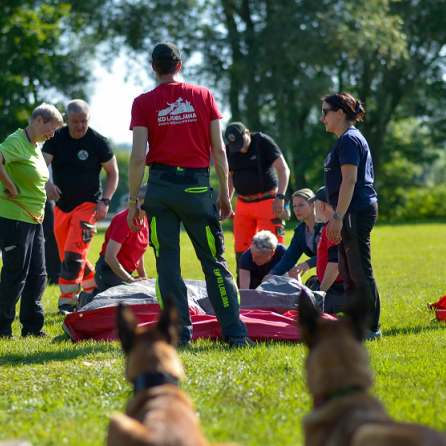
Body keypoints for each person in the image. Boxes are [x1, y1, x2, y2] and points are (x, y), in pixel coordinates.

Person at [126, 41, 252, 347]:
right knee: (213, 262)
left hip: (160, 191)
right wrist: (224, 192)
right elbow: (219, 150)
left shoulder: (142, 102)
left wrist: (132, 202)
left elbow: (138, 157)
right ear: (179, 66)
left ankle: (178, 335)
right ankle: (234, 334)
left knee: (167, 266)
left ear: (153, 67)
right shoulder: (204, 95)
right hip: (197, 189)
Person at [0, 103, 63, 340]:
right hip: (14, 218)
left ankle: (32, 327)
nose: (53, 133)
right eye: (52, 127)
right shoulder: (16, 141)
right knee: (15, 274)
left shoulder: (35, 145)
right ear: (38, 120)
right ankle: (0, 332)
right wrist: (10, 186)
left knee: (38, 274)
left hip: (34, 219)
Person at [42, 99, 119, 314]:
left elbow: (113, 173)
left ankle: (68, 302)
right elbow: (40, 165)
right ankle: (98, 293)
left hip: (89, 206)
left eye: (83, 121)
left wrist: (105, 201)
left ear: (89, 119)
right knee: (68, 255)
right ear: (66, 119)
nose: (79, 126)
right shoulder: (56, 138)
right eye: (75, 121)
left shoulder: (98, 141)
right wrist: (47, 183)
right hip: (62, 207)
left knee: (74, 255)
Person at [320, 92, 381, 340]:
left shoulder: (348, 140)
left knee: (359, 270)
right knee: (348, 269)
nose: (321, 117)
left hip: (354, 210)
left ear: (339, 113)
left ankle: (371, 327)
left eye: (325, 112)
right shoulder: (344, 139)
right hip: (349, 211)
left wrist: (337, 216)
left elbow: (350, 180)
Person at [224, 122, 291, 270]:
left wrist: (280, 197)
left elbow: (284, 169)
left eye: (242, 143)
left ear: (247, 133)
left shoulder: (263, 142)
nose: (240, 148)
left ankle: (277, 284)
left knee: (273, 245)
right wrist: (227, 200)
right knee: (241, 247)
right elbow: (229, 176)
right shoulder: (230, 150)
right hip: (242, 203)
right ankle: (245, 287)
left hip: (268, 202)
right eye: (236, 146)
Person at [92, 185, 150, 295]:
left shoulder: (145, 219)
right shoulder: (124, 220)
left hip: (125, 274)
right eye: (147, 202)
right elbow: (110, 257)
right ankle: (89, 299)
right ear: (137, 201)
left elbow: (138, 251)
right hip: (109, 272)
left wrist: (143, 277)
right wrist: (130, 280)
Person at [264, 188, 324, 282]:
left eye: (301, 205)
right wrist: (272, 273)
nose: (296, 209)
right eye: (294, 206)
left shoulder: (325, 225)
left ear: (313, 205)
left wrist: (309, 263)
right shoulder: (300, 230)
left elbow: (331, 254)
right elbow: (289, 258)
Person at [311, 187, 346, 313]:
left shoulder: (331, 228)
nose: (313, 208)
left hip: (337, 289)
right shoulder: (327, 227)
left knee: (310, 316)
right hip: (332, 287)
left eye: (314, 204)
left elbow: (335, 264)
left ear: (321, 206)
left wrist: (320, 293)